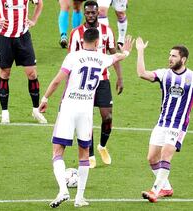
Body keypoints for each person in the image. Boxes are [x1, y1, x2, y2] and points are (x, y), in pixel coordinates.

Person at [39, 28, 133, 208]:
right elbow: (117, 57)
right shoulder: (102, 58)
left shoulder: (73, 57)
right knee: (84, 154)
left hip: (68, 108)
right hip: (86, 112)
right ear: (98, 43)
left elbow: (58, 80)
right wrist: (127, 52)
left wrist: (45, 98)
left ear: (82, 41)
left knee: (57, 151)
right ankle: (79, 198)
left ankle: (63, 190)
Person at [135, 37, 193, 203]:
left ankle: (155, 191)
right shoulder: (164, 74)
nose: (170, 58)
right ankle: (166, 187)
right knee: (151, 158)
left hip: (178, 126)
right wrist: (141, 51)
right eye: (169, 55)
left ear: (183, 59)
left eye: (174, 56)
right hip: (162, 123)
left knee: (165, 155)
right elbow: (142, 73)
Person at [68, 0, 124, 168]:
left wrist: (120, 77)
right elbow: (71, 59)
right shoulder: (76, 33)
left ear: (98, 12)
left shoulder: (107, 31)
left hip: (103, 81)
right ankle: (90, 154)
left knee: (107, 116)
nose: (91, 16)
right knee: (86, 119)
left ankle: (102, 146)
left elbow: (114, 55)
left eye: (94, 12)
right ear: (84, 13)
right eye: (88, 13)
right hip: (83, 83)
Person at [0, 0, 47, 124]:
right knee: (4, 73)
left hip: (23, 37)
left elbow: (39, 2)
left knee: (32, 73)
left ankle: (36, 110)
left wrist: (34, 20)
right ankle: (5, 112)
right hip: (5, 38)